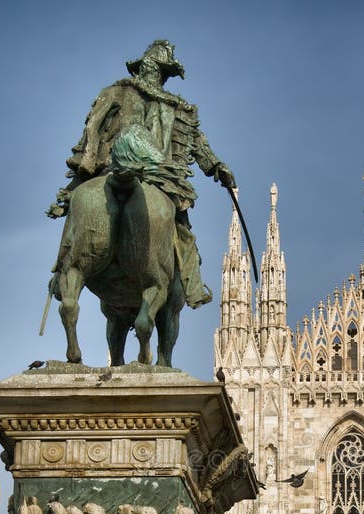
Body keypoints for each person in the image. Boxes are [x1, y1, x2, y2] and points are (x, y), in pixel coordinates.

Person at [47, 39, 235, 312]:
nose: (150, 72)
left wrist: (86, 161)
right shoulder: (176, 107)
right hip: (158, 177)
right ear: (163, 72)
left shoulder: (117, 92)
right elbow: (202, 151)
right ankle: (193, 288)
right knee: (183, 236)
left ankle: (62, 273)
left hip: (114, 169)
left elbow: (93, 127)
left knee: (77, 211)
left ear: (149, 69)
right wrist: (220, 169)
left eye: (152, 68)